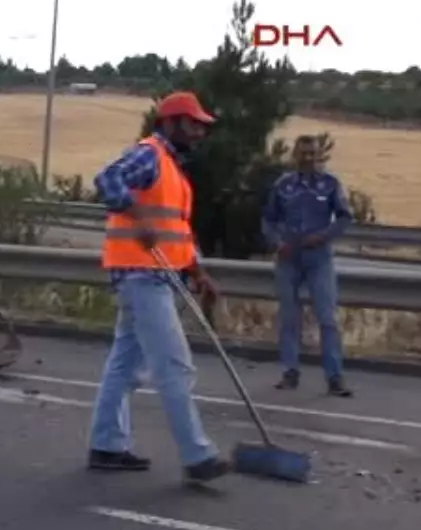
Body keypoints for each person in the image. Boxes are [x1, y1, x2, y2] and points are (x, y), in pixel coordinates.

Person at [87, 91, 230, 483]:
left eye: (202, 125)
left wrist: (198, 272)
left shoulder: (172, 168)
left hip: (155, 273)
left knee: (124, 366)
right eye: (192, 123)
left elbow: (177, 232)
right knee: (174, 365)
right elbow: (107, 179)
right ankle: (197, 456)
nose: (199, 131)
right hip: (143, 274)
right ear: (169, 123)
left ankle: (107, 445)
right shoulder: (150, 154)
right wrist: (136, 215)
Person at [262, 135, 355, 397]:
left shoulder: (330, 184)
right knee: (289, 318)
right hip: (289, 258)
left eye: (313, 153)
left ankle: (335, 377)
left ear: (319, 155)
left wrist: (324, 236)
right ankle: (290, 372)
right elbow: (268, 219)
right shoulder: (283, 185)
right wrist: (276, 242)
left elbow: (345, 218)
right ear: (295, 155)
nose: (309, 158)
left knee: (327, 318)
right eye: (304, 153)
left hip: (319, 259)